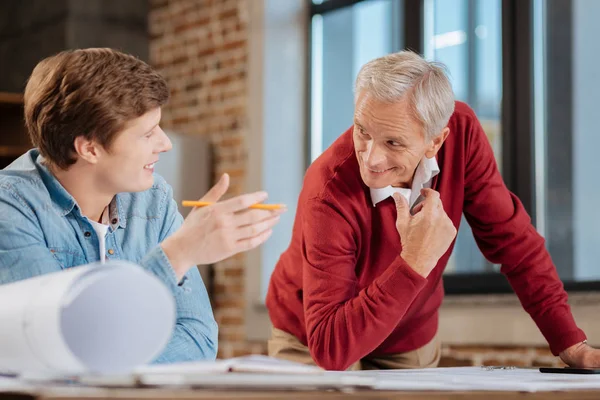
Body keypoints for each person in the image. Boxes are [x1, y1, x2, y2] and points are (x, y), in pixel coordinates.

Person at [266, 50, 598, 371]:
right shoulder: (327, 189)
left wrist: (570, 341)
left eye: (393, 143)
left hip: (407, 333)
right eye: (362, 131)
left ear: (435, 141)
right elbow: (331, 348)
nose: (370, 158)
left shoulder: (463, 134)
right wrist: (415, 260)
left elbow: (516, 245)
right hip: (316, 334)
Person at [0, 48, 284, 363]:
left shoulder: (153, 198)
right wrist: (175, 256)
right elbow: (59, 350)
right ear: (90, 148)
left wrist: (113, 361)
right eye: (147, 134)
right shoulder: (10, 207)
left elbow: (198, 339)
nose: (165, 143)